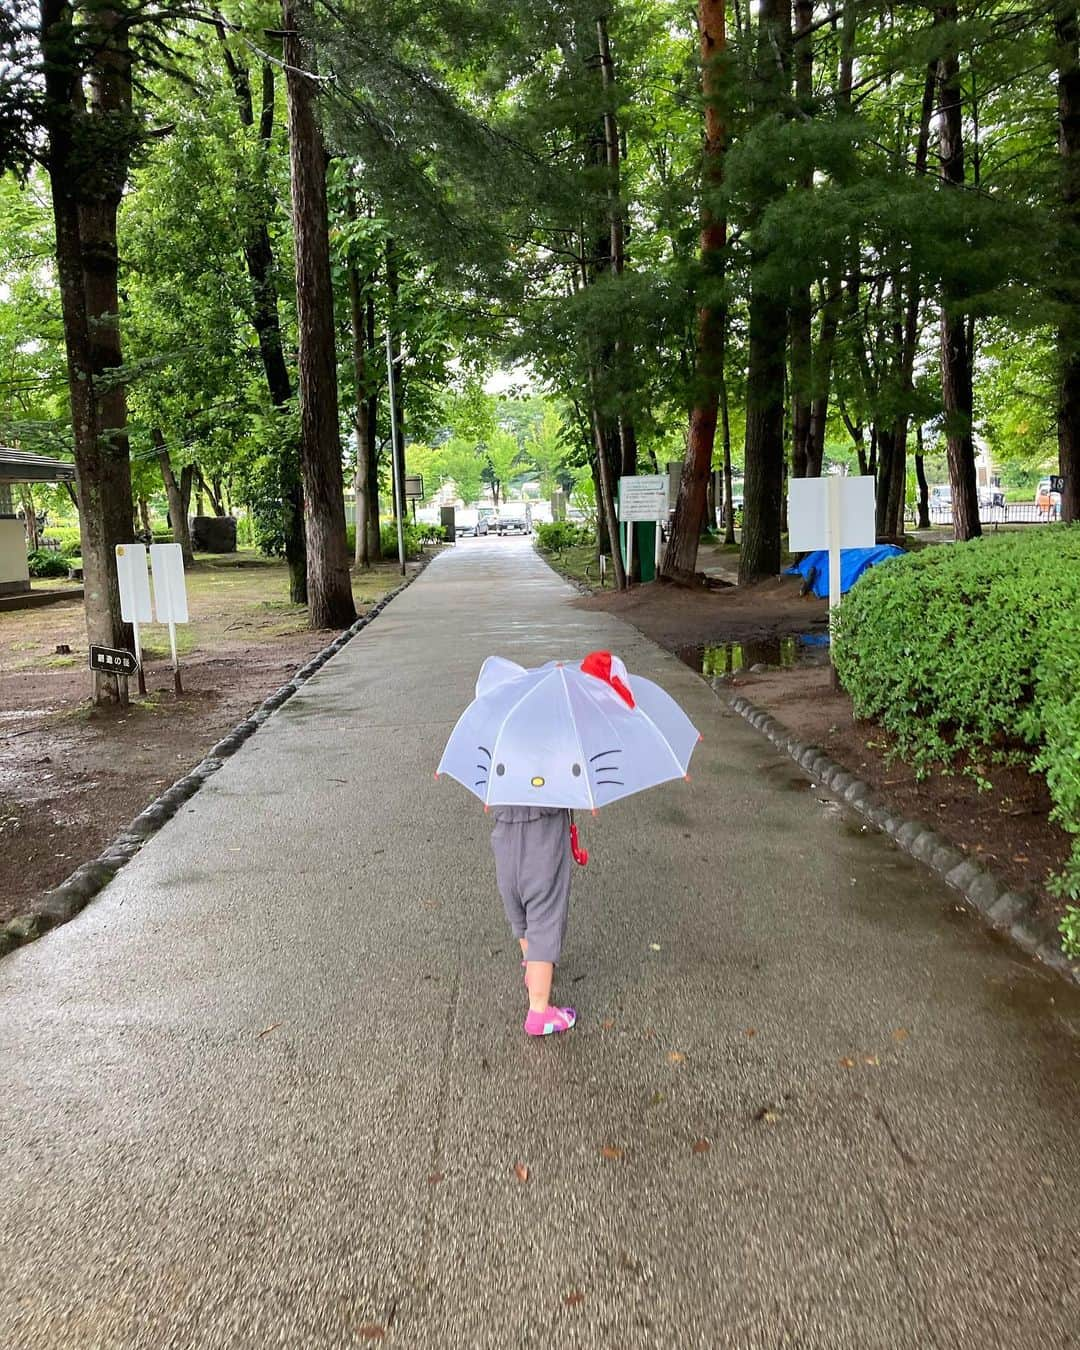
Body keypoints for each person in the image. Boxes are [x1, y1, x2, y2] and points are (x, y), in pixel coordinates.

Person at [490, 805, 577, 1036]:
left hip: (504, 836)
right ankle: (539, 1010)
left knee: (518, 909)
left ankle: (532, 966)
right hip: (543, 838)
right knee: (545, 917)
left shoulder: (502, 774)